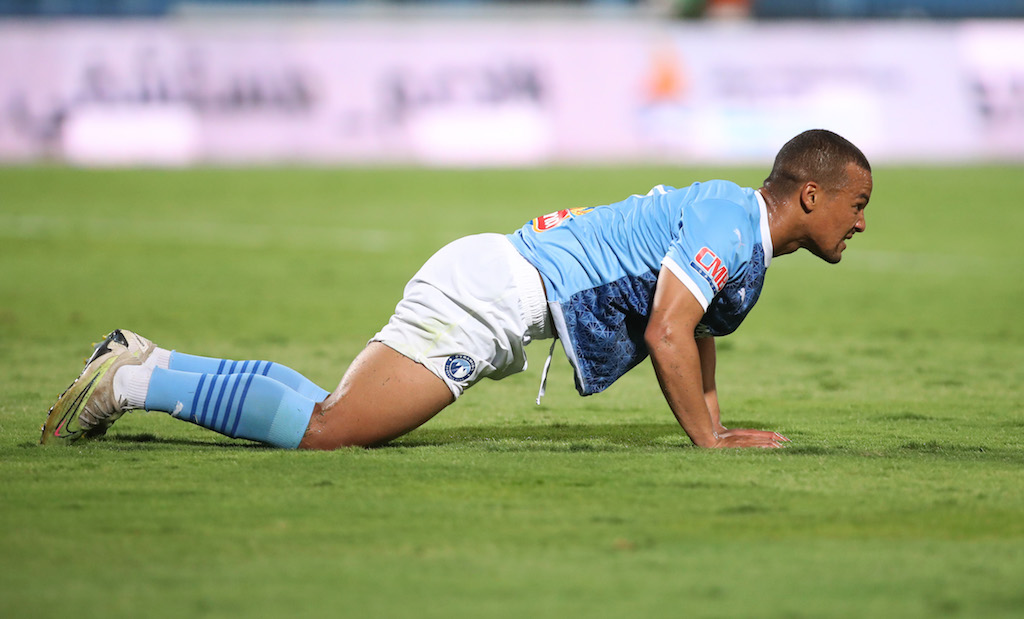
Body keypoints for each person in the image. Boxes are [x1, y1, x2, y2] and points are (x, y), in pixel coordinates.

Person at [40, 129, 872, 451]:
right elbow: (667, 331)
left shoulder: (738, 228)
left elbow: (697, 332)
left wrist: (716, 424)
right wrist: (709, 442)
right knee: (331, 432)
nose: (861, 222)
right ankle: (129, 385)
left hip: (496, 280)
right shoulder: (730, 222)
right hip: (490, 298)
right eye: (857, 203)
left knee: (330, 410)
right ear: (811, 194)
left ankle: (147, 360)